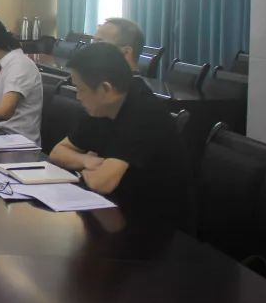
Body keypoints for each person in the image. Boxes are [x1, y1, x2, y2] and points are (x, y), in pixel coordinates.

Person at [49, 43, 188, 221]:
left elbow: (101, 183)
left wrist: (83, 169)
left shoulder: (143, 111)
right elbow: (57, 153)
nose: (78, 97)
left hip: (156, 219)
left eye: (81, 89)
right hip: (116, 208)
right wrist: (87, 160)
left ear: (105, 89)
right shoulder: (101, 107)